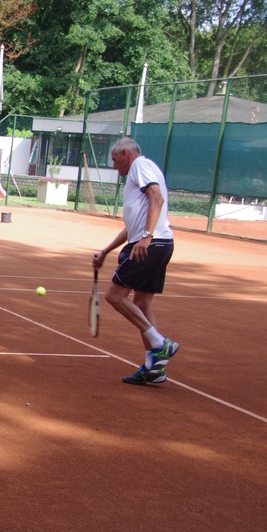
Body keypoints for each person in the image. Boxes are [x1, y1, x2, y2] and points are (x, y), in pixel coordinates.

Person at [92, 137, 179, 385]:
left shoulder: (140, 166)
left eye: (114, 159)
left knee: (115, 296)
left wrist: (146, 237)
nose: (113, 165)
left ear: (126, 154)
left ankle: (160, 344)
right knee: (141, 302)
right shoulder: (139, 173)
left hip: (151, 244)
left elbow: (157, 198)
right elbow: (132, 227)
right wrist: (106, 251)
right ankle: (154, 368)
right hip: (158, 243)